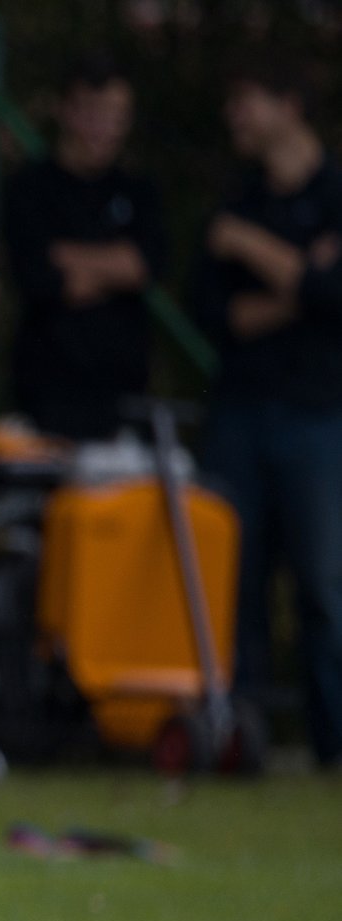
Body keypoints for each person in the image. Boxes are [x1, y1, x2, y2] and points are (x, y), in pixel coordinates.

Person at [194, 58, 342, 770]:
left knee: (324, 584)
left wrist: (251, 248)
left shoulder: (332, 194)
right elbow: (216, 314)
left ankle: (331, 745)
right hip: (240, 412)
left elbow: (335, 298)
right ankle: (239, 742)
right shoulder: (239, 196)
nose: (235, 117)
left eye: (247, 100)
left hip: (321, 416)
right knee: (233, 582)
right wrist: (304, 279)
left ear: (290, 104)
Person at [3, 53, 166, 439]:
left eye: (116, 115)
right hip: (47, 394)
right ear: (65, 110)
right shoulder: (29, 188)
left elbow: (145, 266)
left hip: (123, 397)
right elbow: (39, 278)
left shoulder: (138, 190)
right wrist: (115, 268)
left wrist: (67, 255)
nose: (103, 128)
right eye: (92, 113)